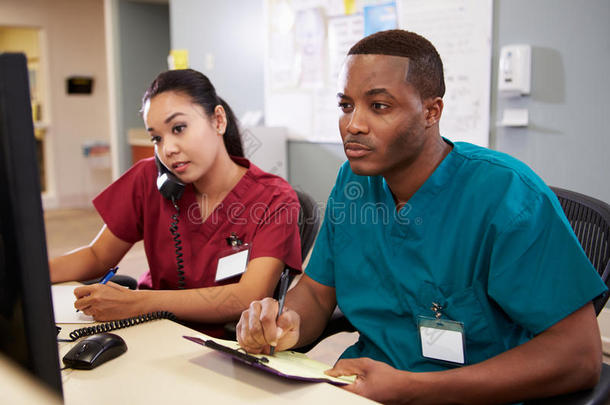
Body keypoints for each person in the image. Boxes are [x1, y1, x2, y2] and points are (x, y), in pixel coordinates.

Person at [235, 30, 607, 404]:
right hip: (360, 390)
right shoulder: (355, 182)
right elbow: (316, 293)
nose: (353, 124)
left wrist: (413, 390)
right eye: (346, 106)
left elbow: (580, 357)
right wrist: (286, 323)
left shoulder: (507, 196)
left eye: (379, 106)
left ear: (432, 112)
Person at [50, 69, 302, 336]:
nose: (167, 149)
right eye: (156, 138)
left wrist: (138, 303)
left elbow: (247, 296)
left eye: (178, 129)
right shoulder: (150, 178)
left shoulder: (274, 199)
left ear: (218, 121)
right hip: (149, 331)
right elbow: (98, 256)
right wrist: (25, 271)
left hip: (225, 348)